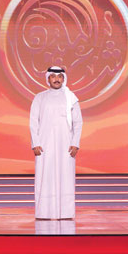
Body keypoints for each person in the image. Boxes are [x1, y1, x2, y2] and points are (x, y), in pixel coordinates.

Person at [29, 66, 83, 220]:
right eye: (53, 76)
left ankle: (65, 213)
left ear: (64, 79)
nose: (56, 79)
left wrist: (75, 143)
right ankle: (43, 212)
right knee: (44, 176)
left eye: (59, 77)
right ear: (48, 79)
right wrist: (35, 143)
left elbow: (78, 122)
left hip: (66, 145)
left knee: (66, 177)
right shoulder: (40, 97)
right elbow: (33, 121)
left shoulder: (71, 98)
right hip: (44, 145)